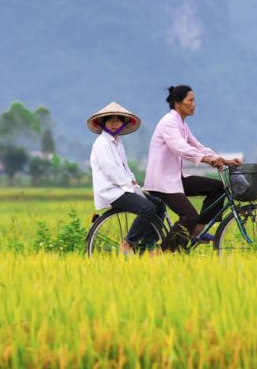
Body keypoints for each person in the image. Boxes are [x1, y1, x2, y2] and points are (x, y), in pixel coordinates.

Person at [143, 85, 241, 249]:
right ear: (177, 103)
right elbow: (180, 148)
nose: (194, 104)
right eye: (190, 100)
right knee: (189, 215)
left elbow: (197, 146)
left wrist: (223, 160)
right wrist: (207, 160)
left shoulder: (181, 124)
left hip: (175, 179)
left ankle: (196, 232)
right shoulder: (168, 123)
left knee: (217, 188)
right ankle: (162, 253)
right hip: (161, 182)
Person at [88, 102, 165, 254]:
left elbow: (124, 168)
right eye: (110, 120)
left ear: (123, 123)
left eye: (118, 120)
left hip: (123, 187)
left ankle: (148, 244)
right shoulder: (102, 144)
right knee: (146, 208)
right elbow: (112, 171)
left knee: (159, 205)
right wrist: (129, 187)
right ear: (104, 123)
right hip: (112, 191)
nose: (114, 124)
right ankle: (128, 244)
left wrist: (133, 181)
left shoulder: (117, 142)